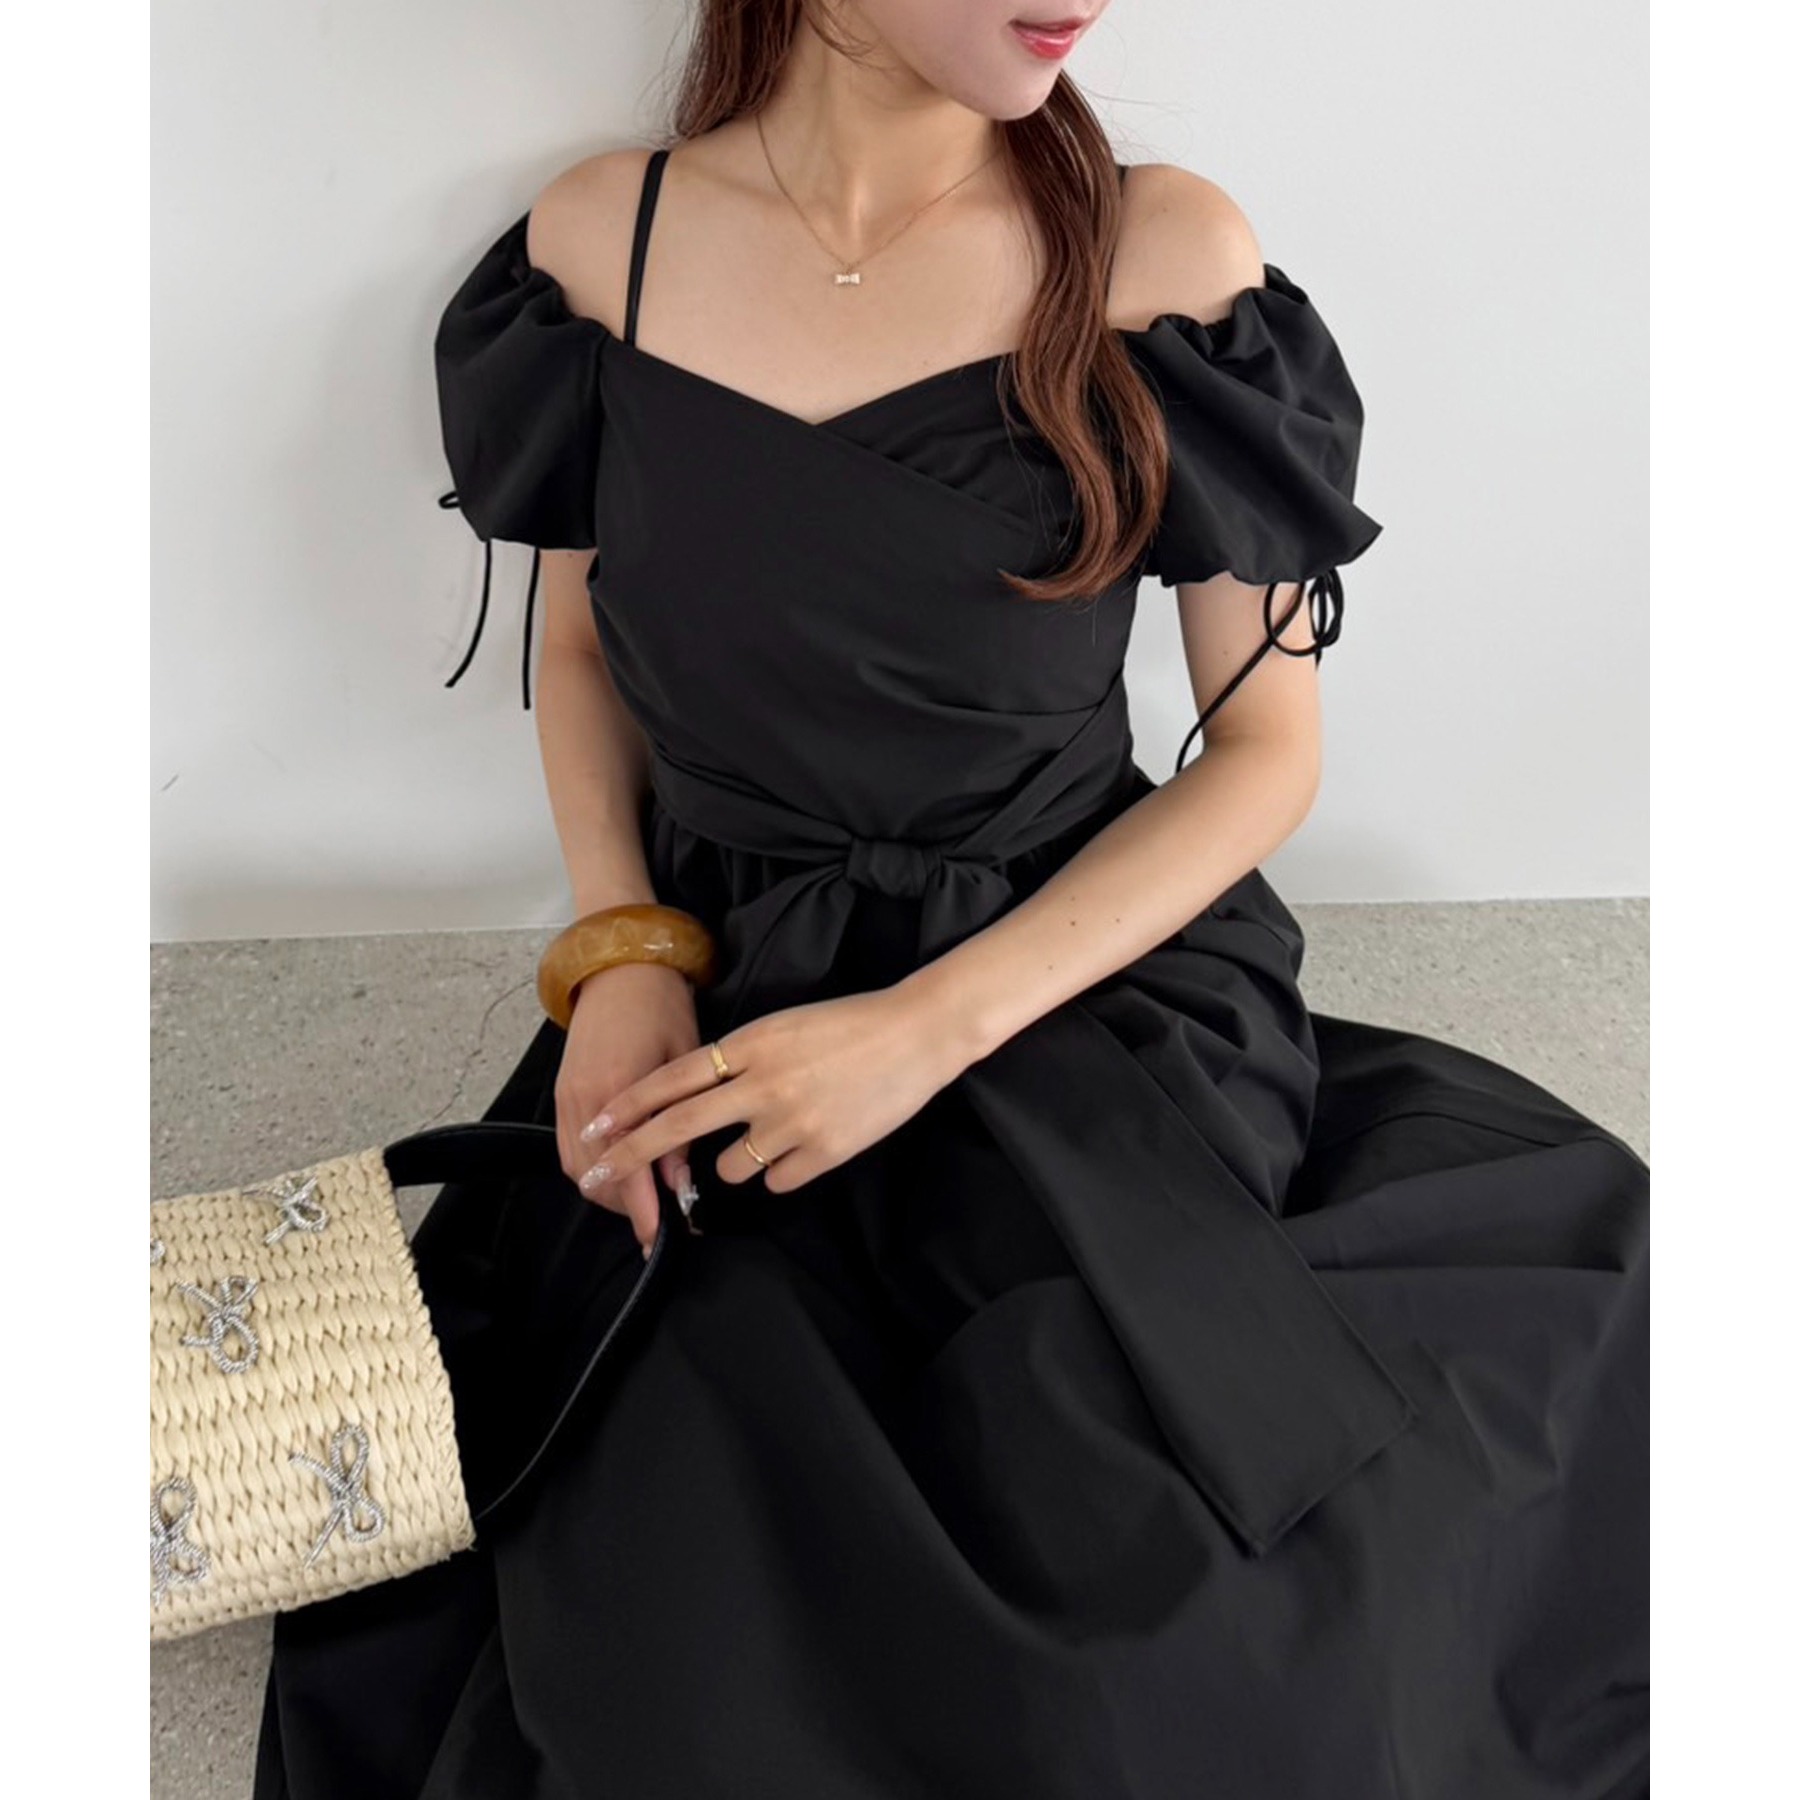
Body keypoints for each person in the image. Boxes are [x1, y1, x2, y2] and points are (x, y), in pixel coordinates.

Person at [253, 4, 1650, 1796]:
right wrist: (619, 956)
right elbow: (584, 652)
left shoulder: (1163, 256)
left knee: (1145, 1588)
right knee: (679, 1567)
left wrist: (922, 1031)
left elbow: (1264, 755)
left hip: (1083, 986)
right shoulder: (603, 246)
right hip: (728, 977)